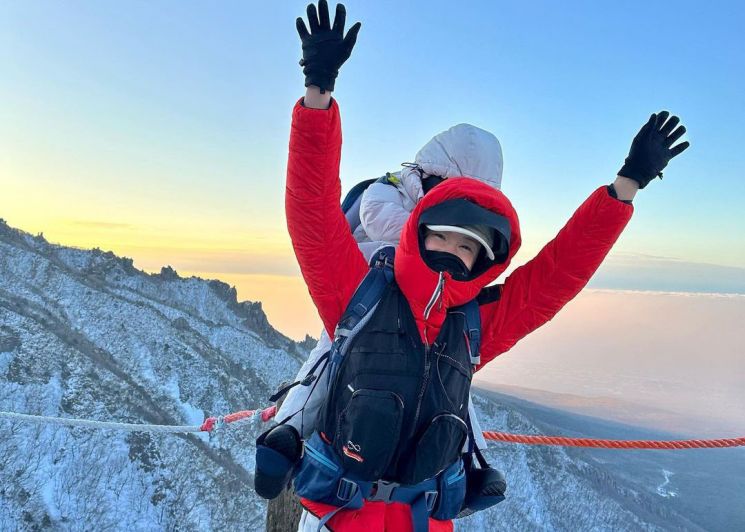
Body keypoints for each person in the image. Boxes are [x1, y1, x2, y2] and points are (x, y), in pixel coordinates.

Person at [256, 2, 690, 531]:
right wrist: (318, 92)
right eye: (445, 233)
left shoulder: (476, 325)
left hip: (426, 519)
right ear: (420, 226)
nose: (455, 252)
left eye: (471, 246)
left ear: (488, 257)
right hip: (337, 517)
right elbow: (312, 212)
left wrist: (625, 187)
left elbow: (556, 277)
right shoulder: (357, 293)